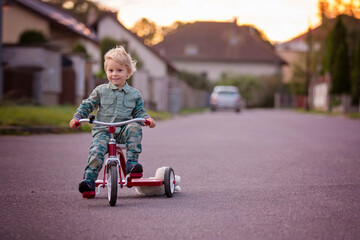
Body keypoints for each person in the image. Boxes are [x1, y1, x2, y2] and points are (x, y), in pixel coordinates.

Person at [69, 46, 156, 197]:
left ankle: (132, 164)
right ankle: (89, 181)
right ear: (106, 71)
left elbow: (139, 112)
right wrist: (77, 118)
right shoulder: (100, 91)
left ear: (128, 72)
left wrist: (146, 119)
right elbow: (87, 105)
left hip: (123, 131)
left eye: (119, 70)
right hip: (103, 131)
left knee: (134, 126)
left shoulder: (134, 94)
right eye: (111, 70)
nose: (114, 74)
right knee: (96, 152)